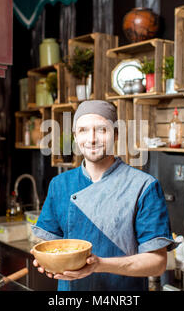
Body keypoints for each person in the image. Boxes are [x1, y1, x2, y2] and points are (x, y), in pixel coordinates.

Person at [31, 100, 175, 291]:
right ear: (75, 136)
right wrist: (46, 260)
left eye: (101, 130)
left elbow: (157, 263)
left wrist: (99, 265)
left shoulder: (143, 186)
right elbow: (47, 243)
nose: (91, 139)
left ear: (115, 134)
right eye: (83, 130)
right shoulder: (60, 185)